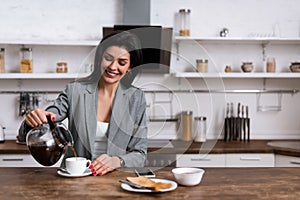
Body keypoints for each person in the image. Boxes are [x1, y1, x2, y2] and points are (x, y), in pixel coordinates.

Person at [18, 31, 148, 176]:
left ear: (130, 67)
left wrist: (117, 161)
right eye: (108, 58)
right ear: (100, 58)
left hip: (116, 180)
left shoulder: (136, 98)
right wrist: (33, 121)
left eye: (121, 62)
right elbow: (48, 120)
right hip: (75, 178)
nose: (112, 66)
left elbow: (140, 154)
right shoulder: (75, 91)